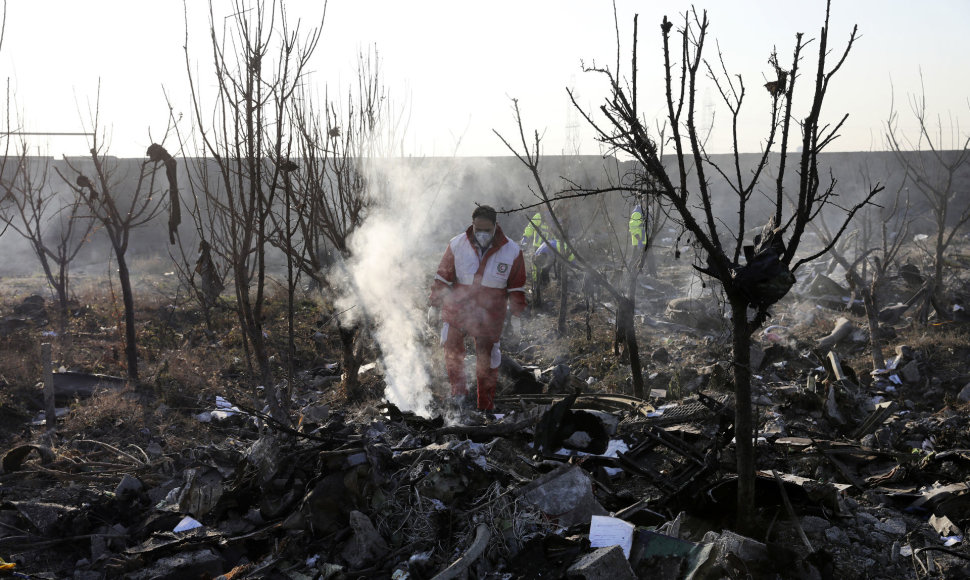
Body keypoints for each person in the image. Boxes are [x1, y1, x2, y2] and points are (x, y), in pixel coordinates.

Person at [429, 205, 527, 411]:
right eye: (477, 229)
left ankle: (485, 407)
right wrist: (435, 305)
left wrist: (517, 316)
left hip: (490, 314)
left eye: (486, 230)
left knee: (488, 359)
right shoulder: (457, 245)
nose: (481, 234)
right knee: (451, 349)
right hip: (458, 309)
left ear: (495, 227)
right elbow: (443, 276)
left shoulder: (512, 251)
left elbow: (517, 287)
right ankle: (459, 396)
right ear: (472, 225)